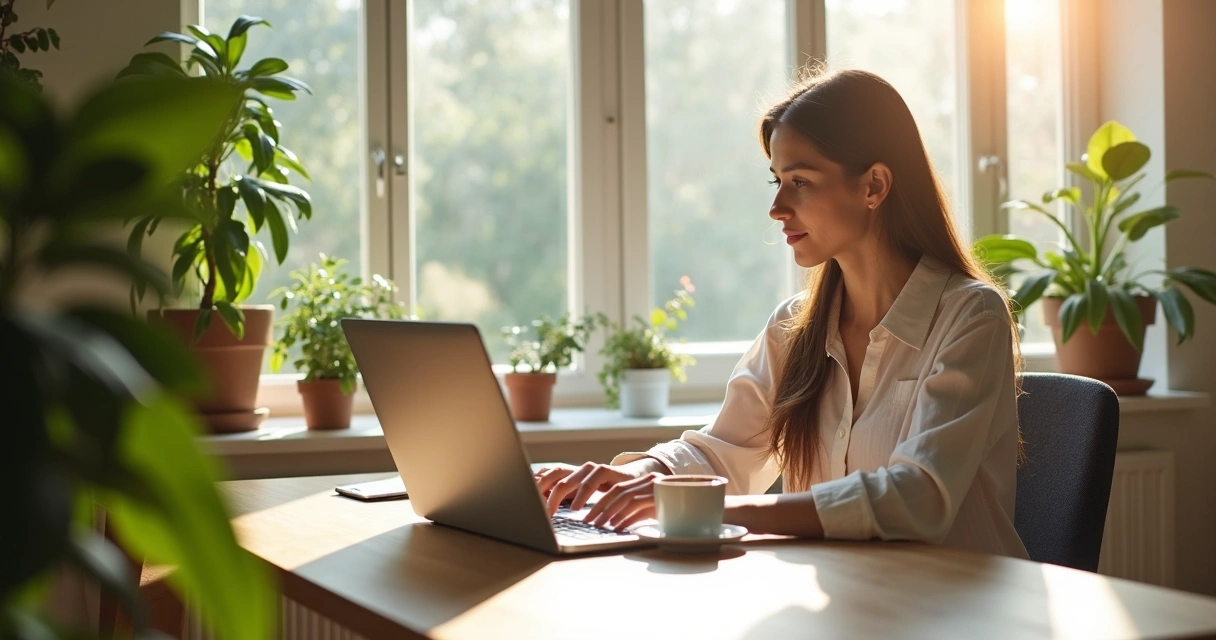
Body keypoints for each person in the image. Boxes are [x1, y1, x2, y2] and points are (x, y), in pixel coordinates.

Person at [535, 68, 1029, 559]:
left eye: (800, 181)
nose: (776, 206)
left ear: (874, 185)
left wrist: (713, 512)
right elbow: (723, 452)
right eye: (777, 180)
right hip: (849, 603)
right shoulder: (795, 327)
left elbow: (915, 496)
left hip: (959, 612)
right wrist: (628, 478)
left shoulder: (971, 316)